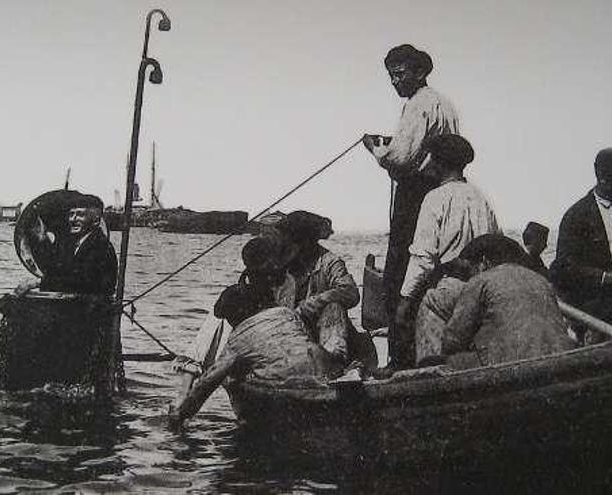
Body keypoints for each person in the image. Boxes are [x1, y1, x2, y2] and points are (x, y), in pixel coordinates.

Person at [361, 43, 460, 369]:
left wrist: (377, 150)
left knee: (399, 275)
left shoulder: (418, 104)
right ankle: (430, 353)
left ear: (419, 72)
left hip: (415, 193)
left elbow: (401, 158)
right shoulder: (445, 105)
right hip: (444, 186)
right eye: (391, 76)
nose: (394, 82)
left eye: (399, 74)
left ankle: (399, 361)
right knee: (435, 270)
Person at [168, 242, 337, 428]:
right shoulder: (286, 314)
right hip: (325, 376)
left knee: (238, 372)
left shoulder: (237, 341)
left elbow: (208, 382)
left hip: (288, 390)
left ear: (234, 317)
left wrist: (181, 414)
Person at [392, 134, 500, 371]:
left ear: (439, 163)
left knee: (428, 310)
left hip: (453, 286)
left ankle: (428, 375)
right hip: (484, 287)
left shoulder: (435, 198)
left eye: (430, 158)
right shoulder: (482, 199)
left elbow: (423, 258)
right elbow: (498, 245)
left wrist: (405, 301)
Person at [439, 234, 576, 369]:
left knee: (435, 363)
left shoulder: (480, 281)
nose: (468, 276)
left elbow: (453, 340)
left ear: (484, 262)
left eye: (470, 269)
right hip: (559, 362)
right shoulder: (541, 280)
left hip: (510, 366)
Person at [550, 148, 612, 341]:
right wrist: (605, 277)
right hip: (601, 314)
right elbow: (562, 269)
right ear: (603, 178)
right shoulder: (578, 215)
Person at [273, 211, 378, 370]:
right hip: (293, 340)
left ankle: (335, 364)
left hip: (327, 338)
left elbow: (350, 292)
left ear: (306, 242)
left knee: (333, 308)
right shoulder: (279, 266)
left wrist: (311, 304)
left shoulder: (329, 262)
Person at [18, 193, 118, 296]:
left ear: (96, 221)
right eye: (71, 214)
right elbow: (56, 271)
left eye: (80, 215)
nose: (73, 219)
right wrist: (43, 239)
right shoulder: (74, 245)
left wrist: (38, 283)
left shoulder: (101, 246)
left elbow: (81, 282)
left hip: (94, 307)